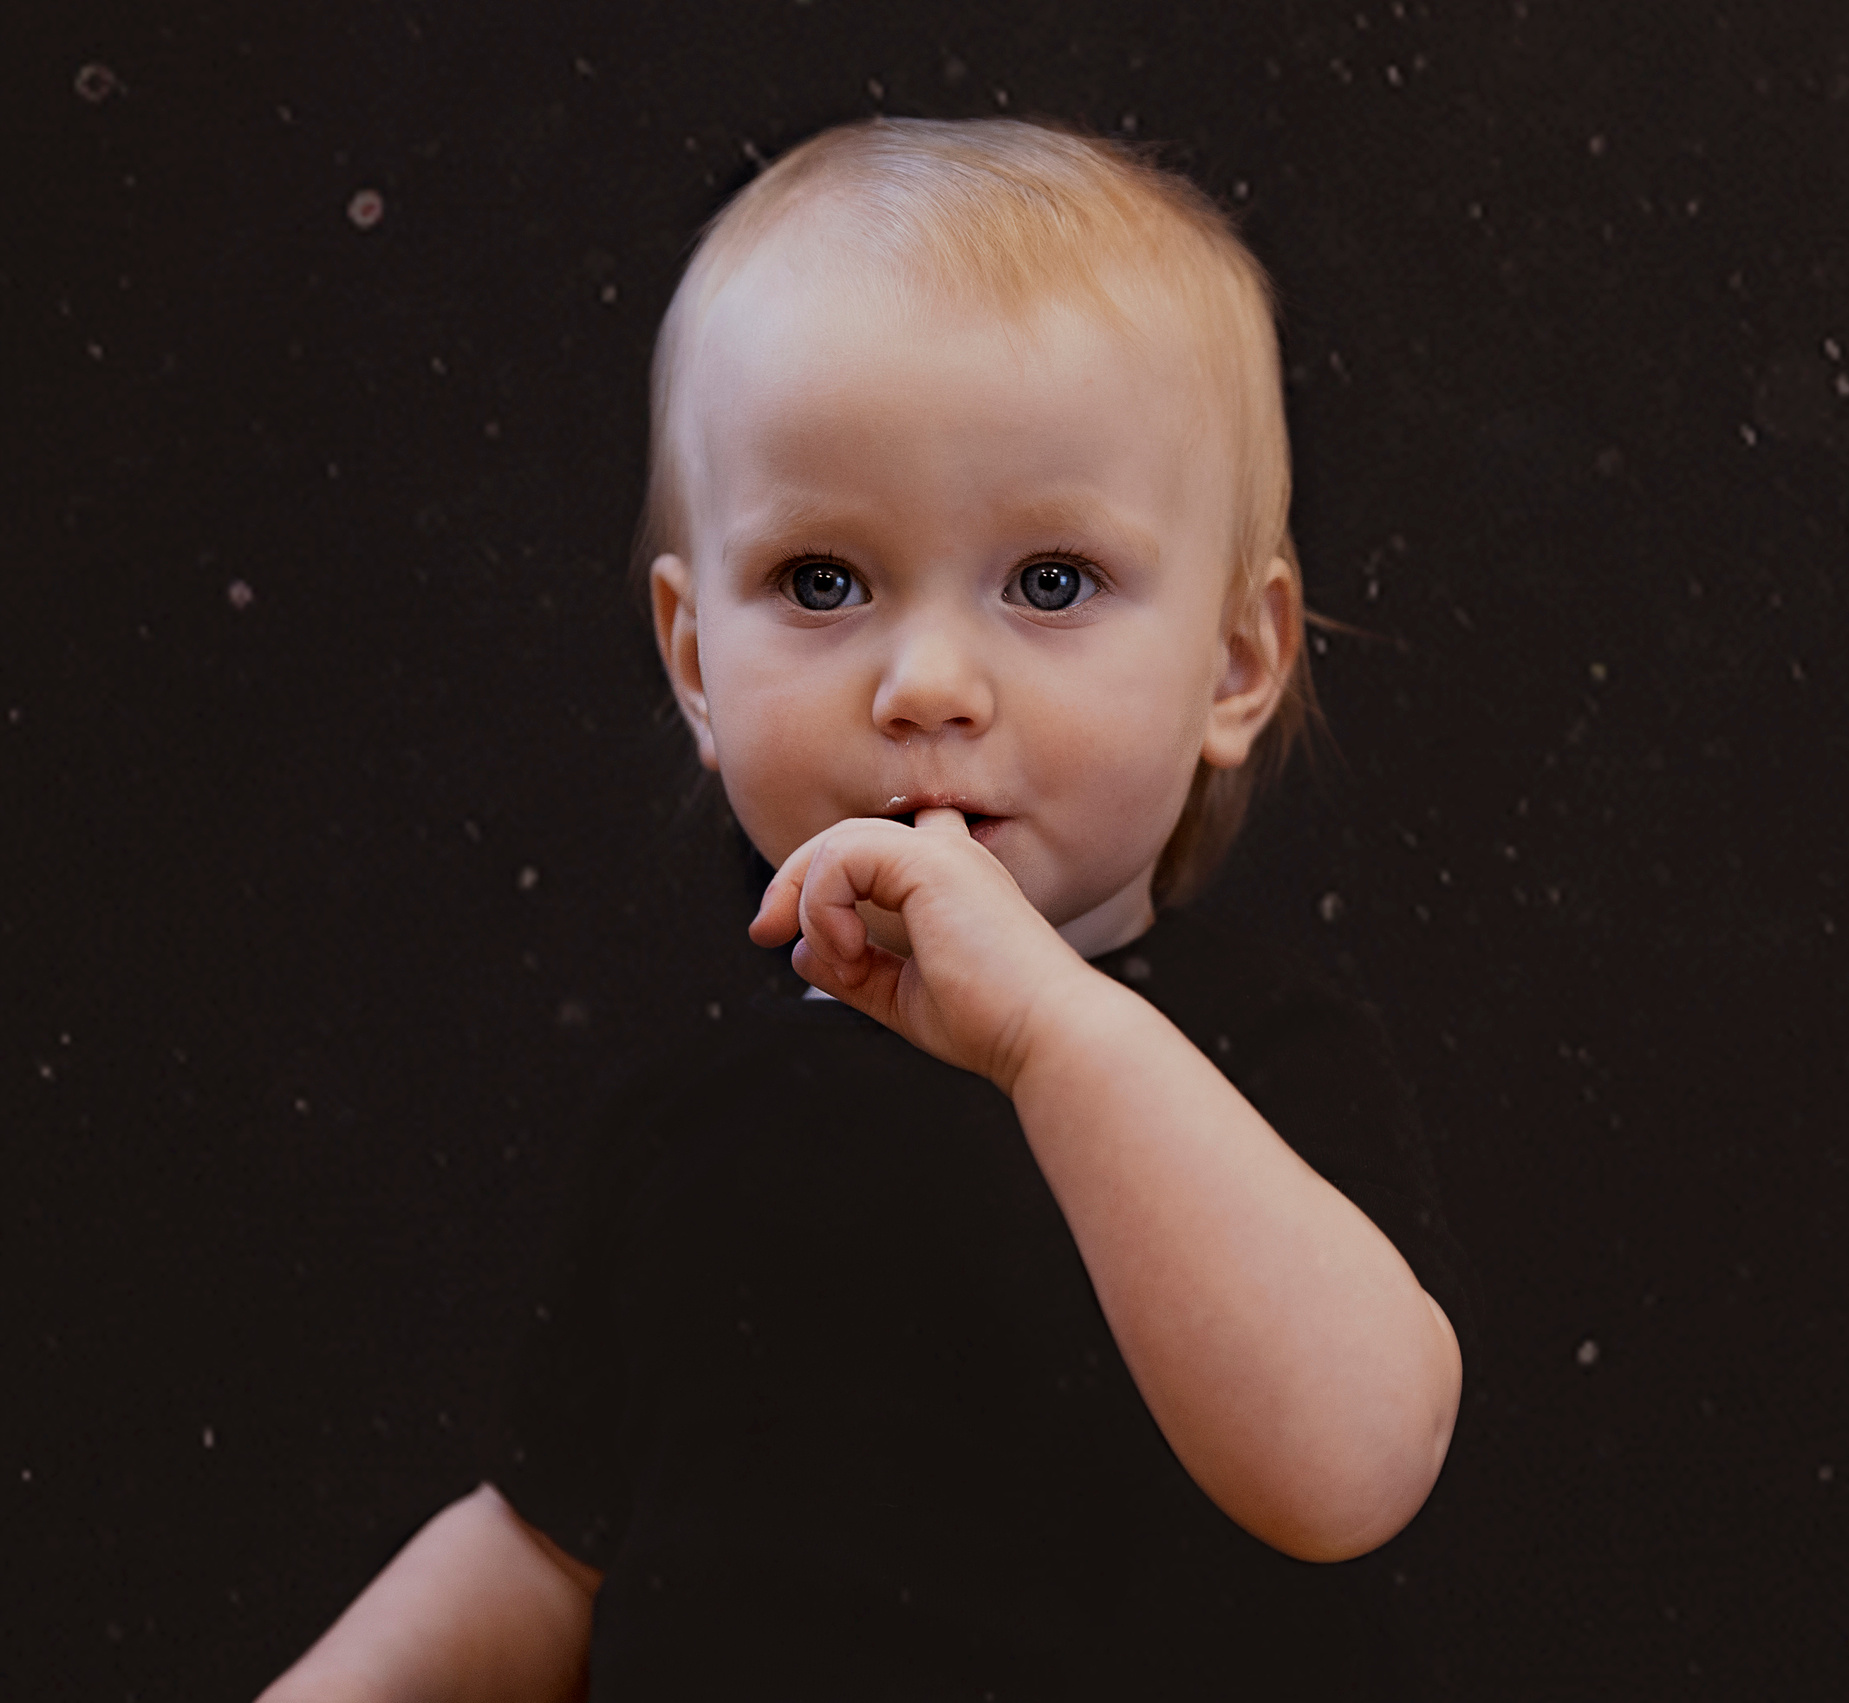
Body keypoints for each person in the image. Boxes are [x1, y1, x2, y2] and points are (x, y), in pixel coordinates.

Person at [258, 116, 1466, 1701]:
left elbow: (1348, 1470)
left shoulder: (1254, 1061)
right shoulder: (698, 1123)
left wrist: (1045, 1033)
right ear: (697, 663)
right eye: (825, 582)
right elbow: (551, 1550)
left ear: (1237, 666)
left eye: (1050, 582)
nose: (927, 686)